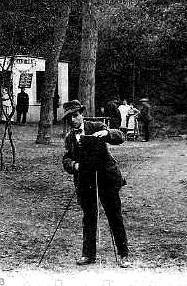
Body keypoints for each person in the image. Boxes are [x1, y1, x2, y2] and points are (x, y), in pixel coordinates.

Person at [61, 99, 130, 268]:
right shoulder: (70, 137)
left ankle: (123, 255)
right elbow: (66, 158)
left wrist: (106, 134)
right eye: (69, 118)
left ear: (82, 114)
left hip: (106, 178)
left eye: (75, 115)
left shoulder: (97, 127)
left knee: (114, 216)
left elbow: (120, 136)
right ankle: (88, 255)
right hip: (86, 181)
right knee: (89, 218)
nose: (72, 120)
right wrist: (75, 165)